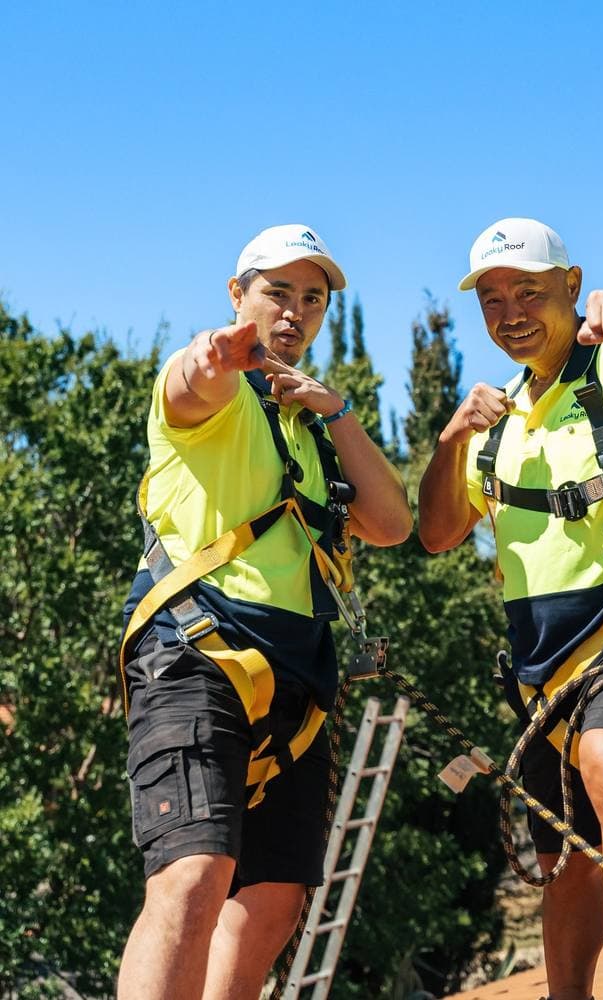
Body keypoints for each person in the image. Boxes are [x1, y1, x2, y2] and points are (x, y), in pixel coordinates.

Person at [117, 224, 412, 1000]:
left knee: (275, 901)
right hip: (196, 651)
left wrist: (338, 413)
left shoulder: (311, 425)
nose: (295, 310)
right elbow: (190, 386)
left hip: (297, 676)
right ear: (237, 294)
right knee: (193, 874)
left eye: (312, 298)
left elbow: (392, 524)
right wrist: (213, 358)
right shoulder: (215, 393)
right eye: (277, 292)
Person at [418, 217, 603, 1000]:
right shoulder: (495, 421)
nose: (510, 312)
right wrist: (450, 440)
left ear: (571, 286)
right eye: (493, 299)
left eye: (529, 292)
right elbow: (436, 533)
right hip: (541, 670)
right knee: (567, 852)